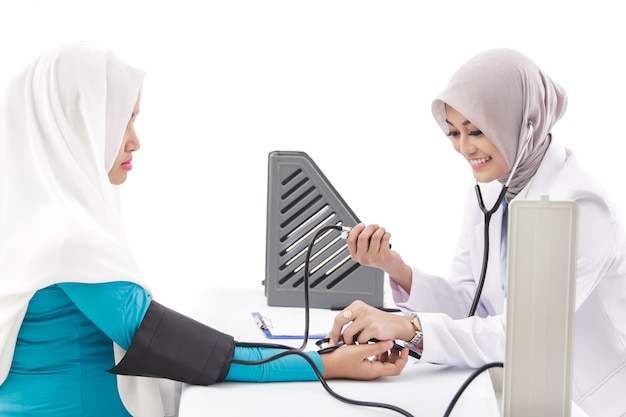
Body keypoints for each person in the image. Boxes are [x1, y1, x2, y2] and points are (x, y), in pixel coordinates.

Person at [0, 41, 408, 417]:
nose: (134, 141)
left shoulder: (37, 215)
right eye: (121, 122)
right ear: (77, 124)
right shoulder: (67, 236)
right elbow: (176, 347)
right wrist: (327, 364)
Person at [327, 48, 626, 417]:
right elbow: (472, 303)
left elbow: (522, 335)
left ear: (523, 122)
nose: (464, 148)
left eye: (477, 131)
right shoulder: (491, 185)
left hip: (591, 402)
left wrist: (408, 327)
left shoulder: (579, 204)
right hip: (512, 390)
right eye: (454, 132)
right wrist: (395, 267)